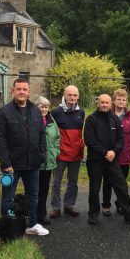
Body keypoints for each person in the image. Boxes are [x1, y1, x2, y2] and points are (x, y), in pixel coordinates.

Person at [0, 78, 49, 236]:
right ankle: (6, 227)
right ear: (13, 91)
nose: (22, 92)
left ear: (29, 92)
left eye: (25, 89)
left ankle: (31, 224)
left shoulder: (36, 111)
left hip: (33, 164)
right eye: (19, 89)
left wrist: (42, 155)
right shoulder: (5, 112)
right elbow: (0, 139)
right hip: (12, 165)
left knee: (33, 195)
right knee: (8, 197)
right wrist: (5, 163)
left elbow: (41, 135)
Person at [83, 94, 130, 226]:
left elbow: (121, 139)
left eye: (107, 103)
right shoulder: (91, 119)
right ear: (98, 103)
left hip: (112, 160)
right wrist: (105, 152)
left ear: (111, 104)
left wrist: (113, 152)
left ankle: (129, 215)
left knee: (122, 186)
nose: (105, 105)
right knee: (94, 188)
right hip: (96, 160)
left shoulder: (115, 119)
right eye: (102, 102)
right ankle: (93, 215)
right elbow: (89, 140)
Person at [101, 89, 130, 216]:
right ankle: (106, 205)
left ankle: (120, 204)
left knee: (122, 183)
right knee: (107, 182)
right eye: (119, 99)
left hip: (125, 155)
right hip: (110, 155)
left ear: (126, 101)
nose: (121, 101)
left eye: (124, 99)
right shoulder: (107, 114)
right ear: (114, 101)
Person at [50, 85, 85, 218]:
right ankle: (56, 207)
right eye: (70, 95)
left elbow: (80, 133)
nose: (72, 98)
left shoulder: (81, 112)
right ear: (64, 95)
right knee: (56, 183)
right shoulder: (55, 112)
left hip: (76, 154)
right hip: (61, 154)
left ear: (78, 96)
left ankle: (69, 205)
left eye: (75, 95)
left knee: (73, 183)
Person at [35, 96, 60, 225]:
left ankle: (42, 214)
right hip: (36, 162)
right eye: (41, 106)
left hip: (49, 162)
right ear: (36, 107)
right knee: (34, 190)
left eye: (46, 107)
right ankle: (32, 215)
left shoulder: (52, 121)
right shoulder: (32, 120)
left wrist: (55, 152)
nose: (44, 109)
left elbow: (57, 138)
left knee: (44, 189)